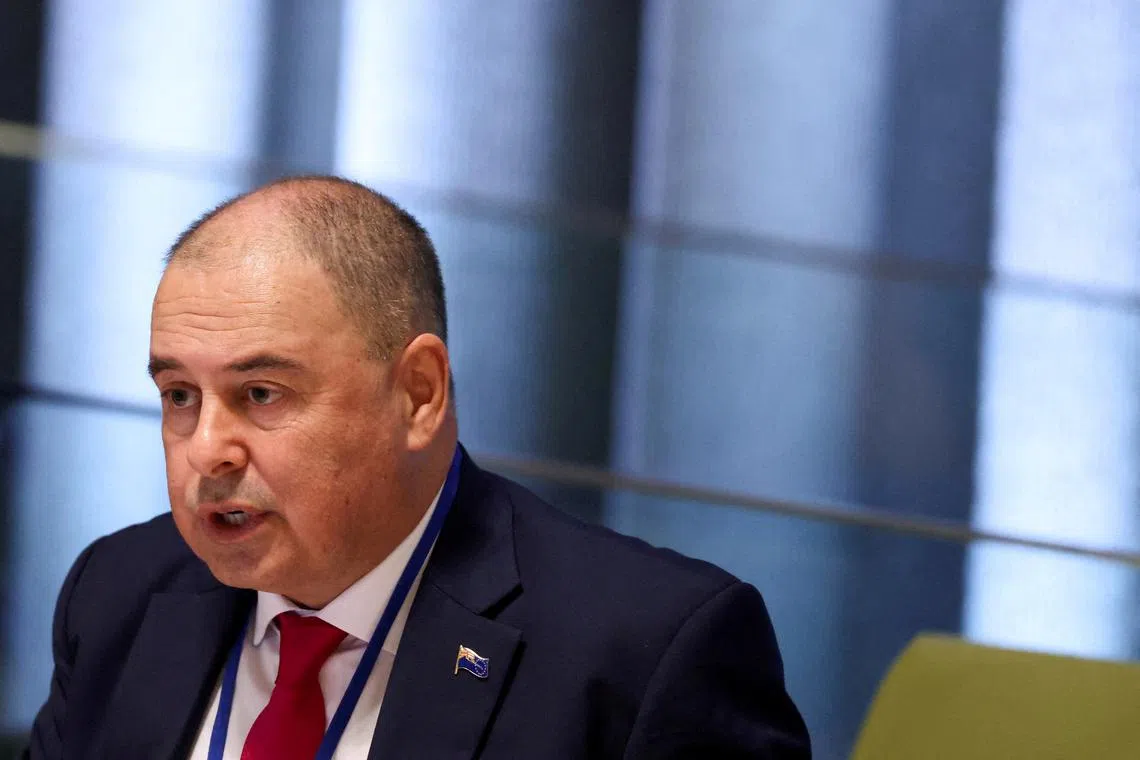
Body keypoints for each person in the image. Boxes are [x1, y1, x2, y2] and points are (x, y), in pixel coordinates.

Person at [24, 176, 811, 759]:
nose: (207, 448)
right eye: (179, 396)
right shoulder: (121, 591)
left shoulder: (644, 653)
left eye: (260, 393)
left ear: (419, 393)